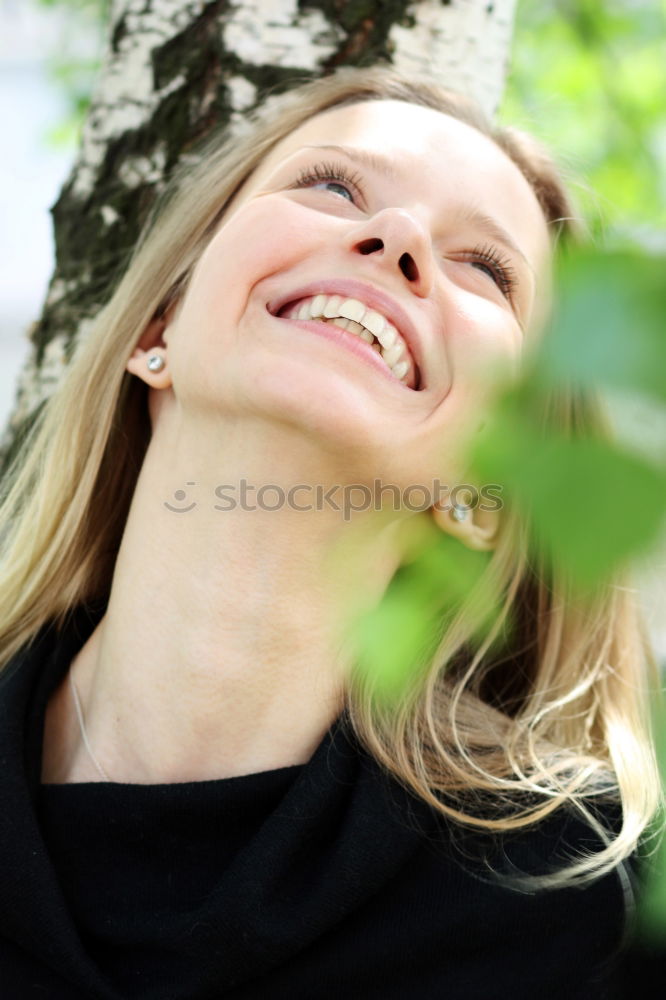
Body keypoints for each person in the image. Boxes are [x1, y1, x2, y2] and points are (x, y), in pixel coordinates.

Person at [0, 66, 661, 999]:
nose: (396, 239)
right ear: (159, 323)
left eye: (487, 269)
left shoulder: (579, 911)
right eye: (333, 186)